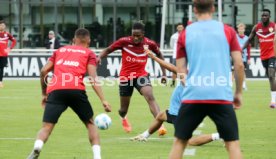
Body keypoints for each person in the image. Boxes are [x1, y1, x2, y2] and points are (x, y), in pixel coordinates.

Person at [168, 0, 244, 159]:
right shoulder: (228, 31)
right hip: (221, 95)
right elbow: (239, 65)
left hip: (193, 95)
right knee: (232, 144)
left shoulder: (185, 33)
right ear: (213, 8)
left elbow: (180, 69)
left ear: (194, 9)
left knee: (179, 143)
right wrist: (238, 93)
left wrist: (189, 86)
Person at [27, 28, 111, 159]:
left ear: (74, 39)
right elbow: (93, 78)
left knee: (47, 127)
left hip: (56, 90)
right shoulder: (89, 53)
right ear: (88, 40)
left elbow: (43, 71)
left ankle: (38, 146)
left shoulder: (60, 51)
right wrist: (103, 100)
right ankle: (97, 157)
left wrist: (44, 94)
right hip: (76, 90)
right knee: (90, 123)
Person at [131, 50, 221, 146]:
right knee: (161, 115)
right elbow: (172, 68)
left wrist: (154, 58)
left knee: (188, 141)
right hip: (176, 111)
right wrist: (154, 57)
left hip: (182, 114)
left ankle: (220, 135)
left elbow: (175, 70)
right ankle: (144, 135)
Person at [98, 21, 167, 134]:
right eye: (133, 35)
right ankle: (123, 118)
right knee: (123, 109)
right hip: (126, 77)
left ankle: (160, 124)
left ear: (143, 34)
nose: (135, 38)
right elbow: (108, 50)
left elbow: (159, 55)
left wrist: (164, 73)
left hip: (141, 75)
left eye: (138, 36)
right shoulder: (123, 41)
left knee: (150, 96)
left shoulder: (150, 44)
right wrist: (99, 57)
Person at [242, 9, 276, 108]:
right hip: (263, 56)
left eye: (266, 16)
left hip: (272, 54)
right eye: (262, 16)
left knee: (271, 75)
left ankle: (273, 101)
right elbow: (249, 39)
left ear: (269, 17)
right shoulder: (257, 27)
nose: (264, 17)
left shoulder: (274, 26)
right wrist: (241, 49)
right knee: (270, 77)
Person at [0, 20, 16, 88]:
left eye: (3, 25)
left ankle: (0, 82)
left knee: (1, 68)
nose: (1, 26)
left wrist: (10, 48)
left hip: (3, 55)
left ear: (5, 26)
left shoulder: (7, 34)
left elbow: (14, 41)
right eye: (0, 25)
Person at [236, 23, 251, 90]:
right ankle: (230, 85)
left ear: (244, 30)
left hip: (244, 58)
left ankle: (244, 85)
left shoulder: (247, 38)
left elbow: (248, 49)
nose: (241, 30)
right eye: (240, 28)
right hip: (235, 58)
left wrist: (249, 58)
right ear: (238, 30)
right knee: (234, 71)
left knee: (243, 71)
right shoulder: (235, 37)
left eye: (242, 28)